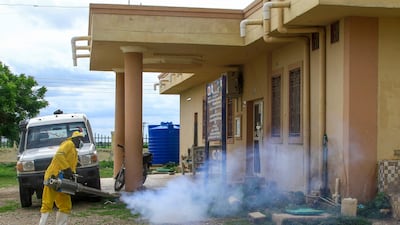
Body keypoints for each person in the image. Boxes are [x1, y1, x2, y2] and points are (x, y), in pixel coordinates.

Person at [38, 131, 84, 225]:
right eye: (80, 139)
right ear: (75, 139)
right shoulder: (69, 144)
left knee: (65, 205)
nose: (81, 142)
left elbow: (68, 160)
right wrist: (66, 168)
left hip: (62, 179)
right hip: (54, 176)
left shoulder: (73, 149)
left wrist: (74, 166)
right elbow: (59, 155)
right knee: (47, 203)